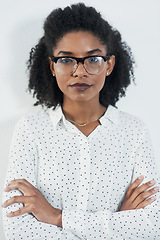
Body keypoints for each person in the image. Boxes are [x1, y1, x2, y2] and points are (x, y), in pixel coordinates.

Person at [2, 3, 160, 239]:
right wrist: (116, 223)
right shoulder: (31, 130)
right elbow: (18, 229)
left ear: (109, 65)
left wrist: (57, 217)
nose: (79, 72)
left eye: (93, 59)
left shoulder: (134, 131)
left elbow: (150, 225)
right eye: (66, 60)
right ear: (52, 66)